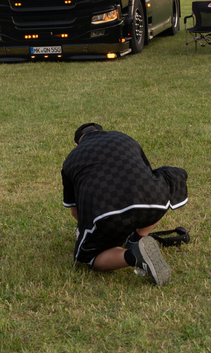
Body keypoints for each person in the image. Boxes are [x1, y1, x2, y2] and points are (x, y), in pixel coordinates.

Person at [61, 123, 188, 286]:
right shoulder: (125, 138)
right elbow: (147, 172)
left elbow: (75, 212)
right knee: (160, 184)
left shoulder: (71, 158)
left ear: (77, 144)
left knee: (89, 257)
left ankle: (134, 255)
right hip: (153, 202)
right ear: (102, 131)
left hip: (107, 216)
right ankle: (137, 238)